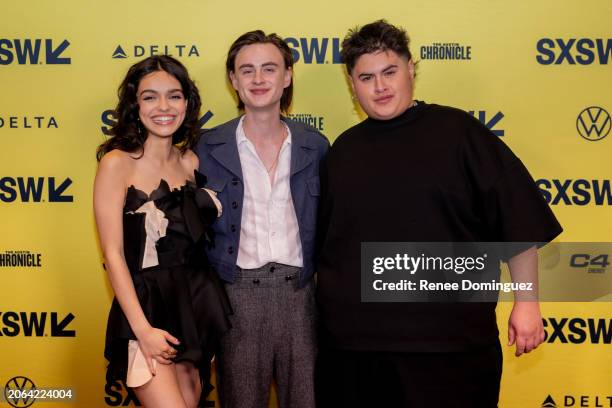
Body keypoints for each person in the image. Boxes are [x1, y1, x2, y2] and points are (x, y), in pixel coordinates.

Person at [315, 20, 563, 407]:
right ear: (352, 84)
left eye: (389, 72)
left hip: (452, 350)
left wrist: (527, 303)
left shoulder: (460, 132)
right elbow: (324, 250)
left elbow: (517, 223)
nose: (380, 87)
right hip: (355, 353)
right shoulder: (342, 153)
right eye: (367, 77)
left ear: (411, 68)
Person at [195, 30, 329, 408]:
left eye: (269, 69)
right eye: (247, 70)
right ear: (233, 81)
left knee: (306, 400)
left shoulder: (315, 145)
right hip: (236, 296)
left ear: (287, 76)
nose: (258, 79)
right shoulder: (206, 146)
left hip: (300, 295)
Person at [94, 55, 232, 408]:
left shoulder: (191, 163)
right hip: (147, 310)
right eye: (150, 96)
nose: (163, 106)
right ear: (134, 104)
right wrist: (142, 330)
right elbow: (113, 255)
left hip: (196, 306)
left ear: (187, 103)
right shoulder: (117, 163)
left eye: (173, 95)